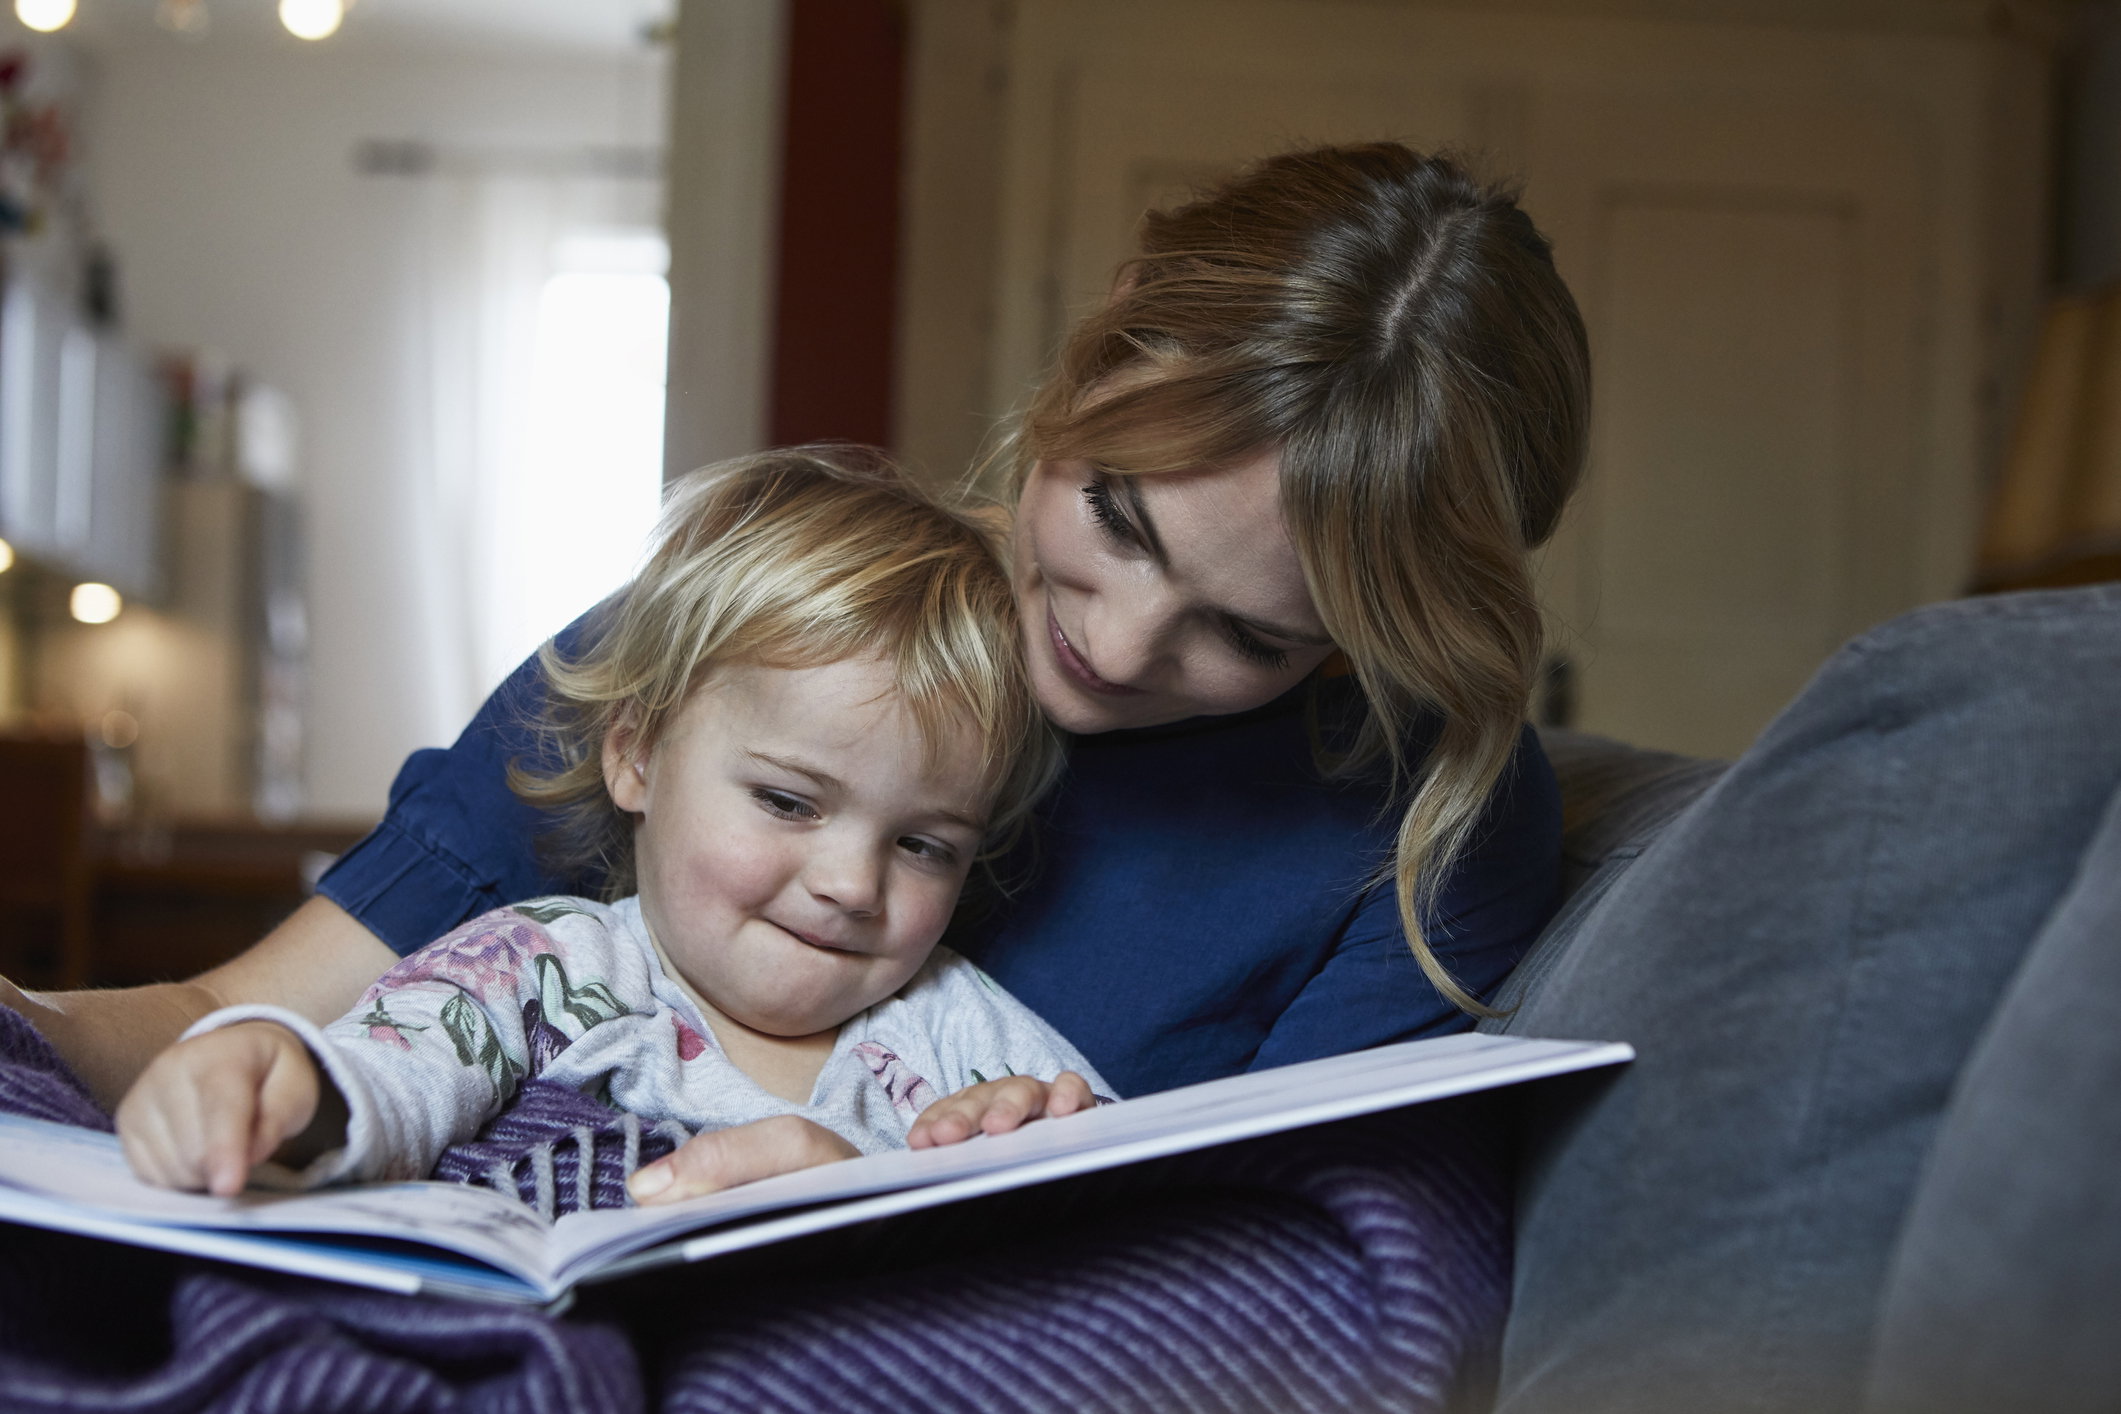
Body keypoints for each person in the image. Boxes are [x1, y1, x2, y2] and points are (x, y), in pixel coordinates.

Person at [6, 142, 1590, 1205]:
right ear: (1097, 353)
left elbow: (1285, 1248)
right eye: (1113, 515)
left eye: (1254, 635)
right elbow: (235, 1016)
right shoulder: (767, 620)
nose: (1110, 651)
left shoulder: (1426, 824)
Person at [114, 450, 1108, 1202]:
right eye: (787, 801)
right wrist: (279, 1084)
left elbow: (1129, 1187)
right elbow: (388, 1081)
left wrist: (1005, 1160)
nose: (854, 882)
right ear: (636, 756)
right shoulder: (540, 964)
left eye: (922, 843)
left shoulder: (958, 1029)